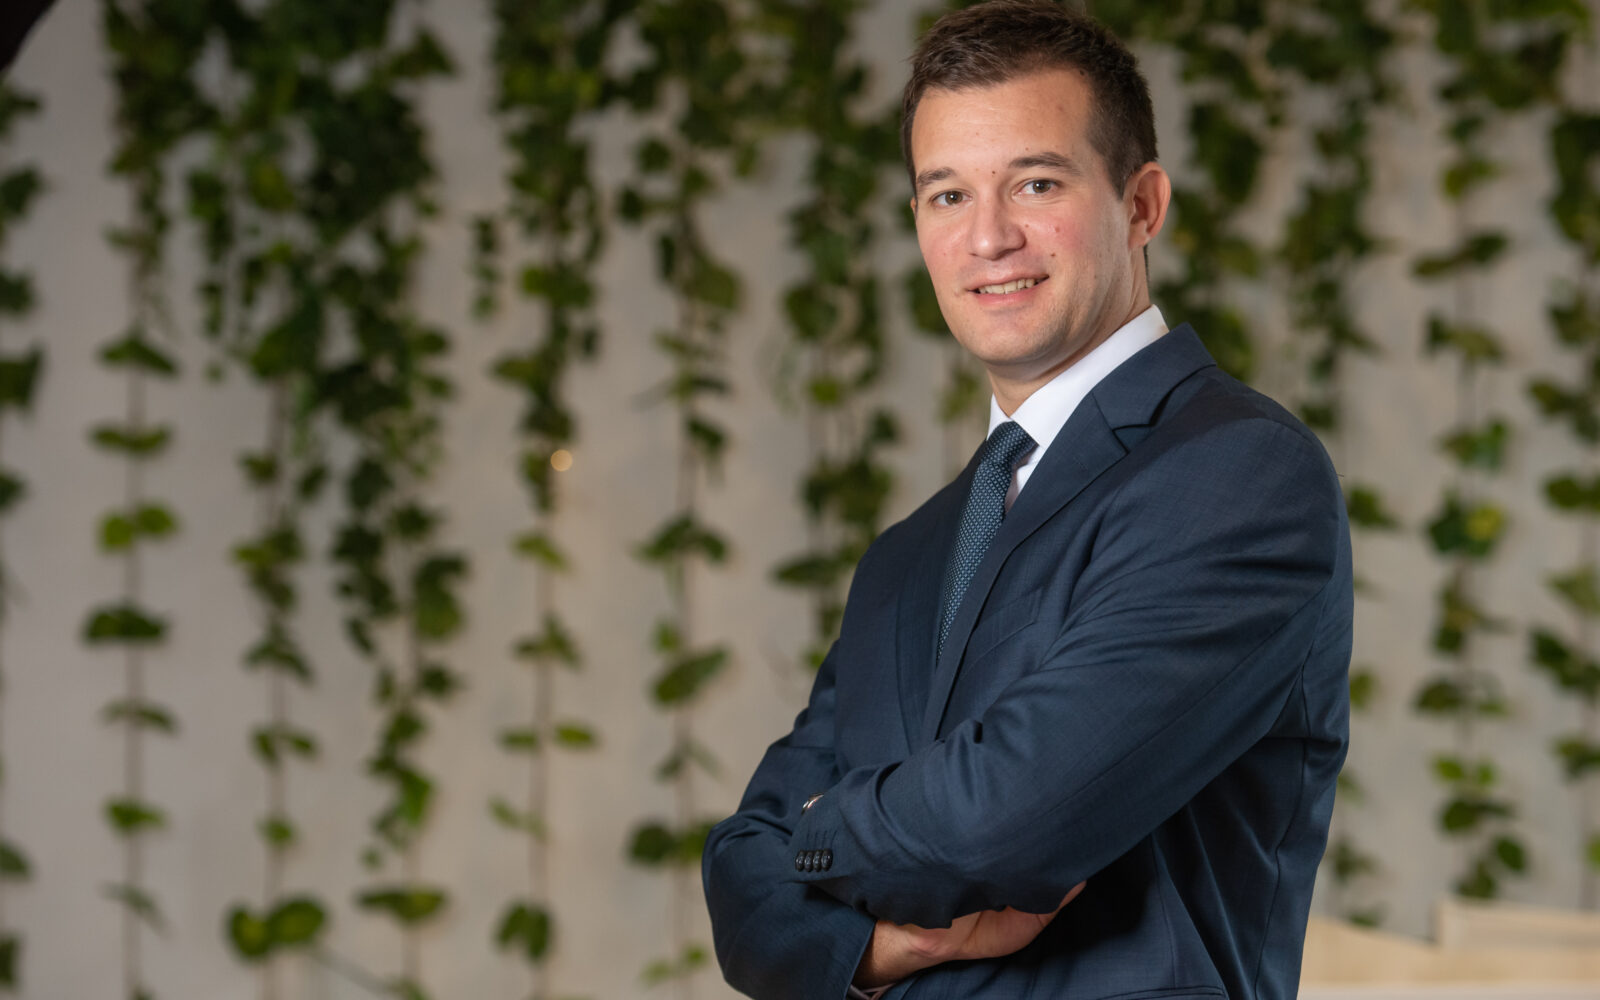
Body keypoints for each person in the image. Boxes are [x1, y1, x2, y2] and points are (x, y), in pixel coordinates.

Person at [701, 2, 1352, 997]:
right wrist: (883, 946)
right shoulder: (910, 553)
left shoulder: (1238, 473)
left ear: (1142, 205)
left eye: (1035, 184)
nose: (988, 237)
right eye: (946, 195)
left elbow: (1006, 821)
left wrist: (820, 830)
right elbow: (739, 893)